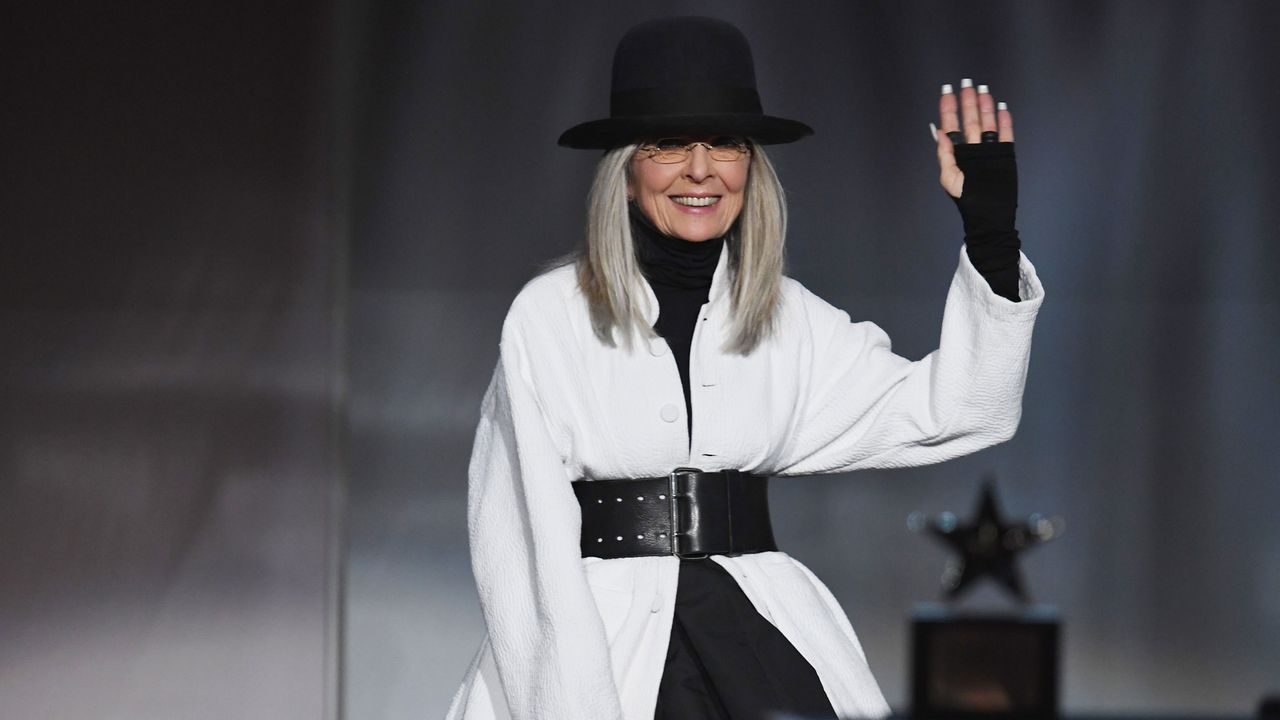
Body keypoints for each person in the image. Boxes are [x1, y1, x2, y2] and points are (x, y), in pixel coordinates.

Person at [445, 16, 1043, 720]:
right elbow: (516, 544)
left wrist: (991, 237)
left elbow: (961, 411)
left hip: (758, 644)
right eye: (669, 143)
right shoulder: (549, 318)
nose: (701, 169)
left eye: (724, 143)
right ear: (627, 169)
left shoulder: (785, 317)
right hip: (595, 657)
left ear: (750, 165)